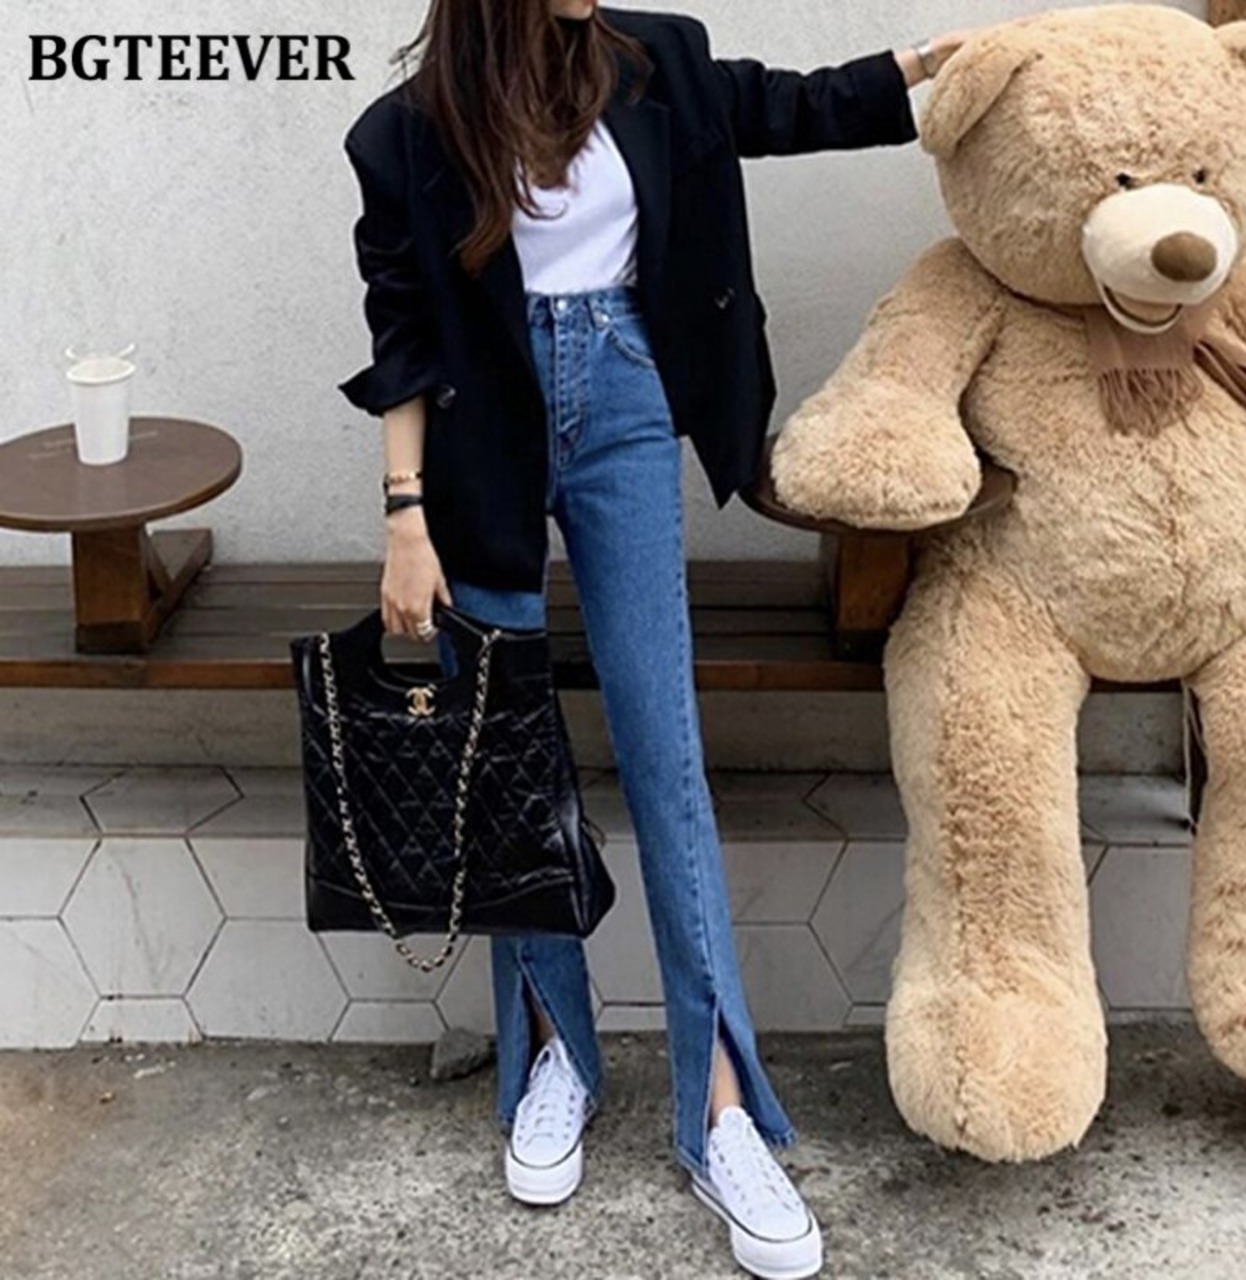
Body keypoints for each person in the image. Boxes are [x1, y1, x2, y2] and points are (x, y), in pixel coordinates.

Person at [337, 4, 970, 1276]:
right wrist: (404, 517)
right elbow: (400, 331)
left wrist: (918, 70)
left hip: (624, 393)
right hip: (479, 437)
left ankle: (720, 1104)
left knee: (665, 760)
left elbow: (781, 106)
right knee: (508, 768)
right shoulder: (405, 131)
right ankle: (553, 1053)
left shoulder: (651, 57)